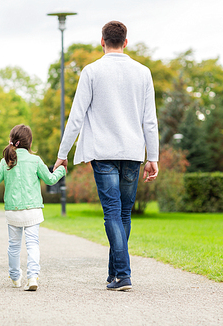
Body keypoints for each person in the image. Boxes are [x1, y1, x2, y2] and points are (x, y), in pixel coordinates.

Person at [54, 21, 159, 291]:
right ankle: (115, 273)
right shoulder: (143, 72)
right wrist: (153, 157)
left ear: (102, 41)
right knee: (123, 213)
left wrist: (62, 154)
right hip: (133, 152)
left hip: (103, 152)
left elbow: (76, 117)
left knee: (113, 211)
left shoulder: (91, 72)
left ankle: (122, 274)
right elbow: (150, 121)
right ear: (126, 41)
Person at [0, 125, 66, 291]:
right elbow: (51, 180)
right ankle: (32, 277)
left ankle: (16, 277)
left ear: (12, 141)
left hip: (13, 212)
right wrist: (61, 170)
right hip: (33, 210)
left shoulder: (6, 161)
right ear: (29, 142)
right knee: (33, 244)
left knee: (14, 246)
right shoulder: (36, 160)